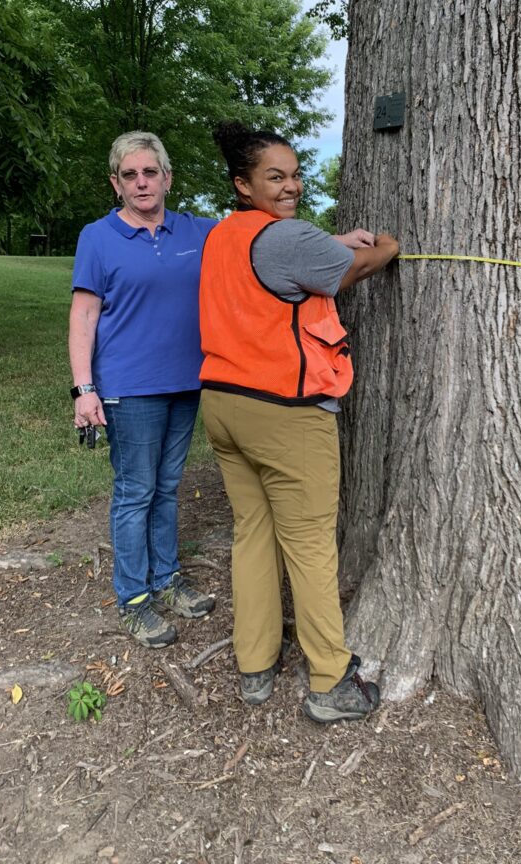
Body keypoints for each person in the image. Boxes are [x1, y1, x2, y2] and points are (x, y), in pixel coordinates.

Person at [199, 122, 399, 723]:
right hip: (284, 411)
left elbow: (279, 266)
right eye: (274, 178)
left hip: (224, 406)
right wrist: (385, 246)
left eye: (293, 175)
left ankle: (254, 665)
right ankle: (331, 680)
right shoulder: (288, 238)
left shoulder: (224, 234)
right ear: (243, 184)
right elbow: (349, 269)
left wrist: (333, 241)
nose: (290, 187)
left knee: (252, 534)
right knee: (311, 546)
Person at [68, 131, 217, 648]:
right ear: (116, 183)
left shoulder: (197, 231)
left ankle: (167, 579)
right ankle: (133, 599)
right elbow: (84, 315)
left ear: (167, 177)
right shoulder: (99, 236)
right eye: (129, 175)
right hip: (129, 388)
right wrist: (83, 389)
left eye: (149, 172)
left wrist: (334, 244)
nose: (141, 182)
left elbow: (260, 242)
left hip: (187, 383)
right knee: (136, 492)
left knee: (168, 487)